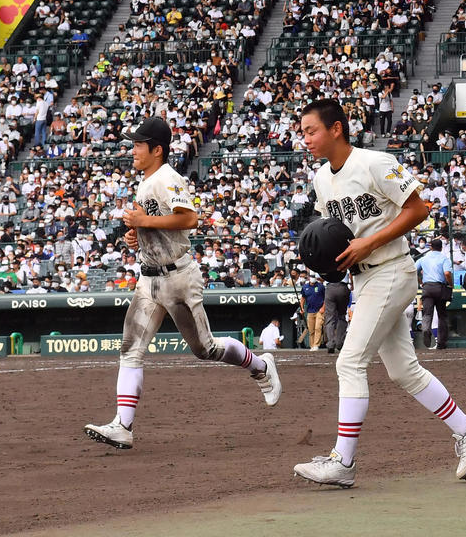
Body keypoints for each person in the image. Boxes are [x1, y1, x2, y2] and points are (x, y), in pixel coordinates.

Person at [292, 99, 466, 486]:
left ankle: (343, 462)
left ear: (336, 129)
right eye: (302, 132)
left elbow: (419, 209)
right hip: (363, 278)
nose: (306, 138)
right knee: (404, 370)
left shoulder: (374, 163)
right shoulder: (321, 178)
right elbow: (335, 229)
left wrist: (370, 243)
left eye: (311, 130)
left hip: (391, 270)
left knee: (349, 363)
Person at [84, 116, 281, 452]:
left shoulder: (167, 177)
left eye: (138, 144)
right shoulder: (147, 182)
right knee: (130, 350)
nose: (132, 150)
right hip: (149, 279)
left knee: (205, 349)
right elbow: (158, 224)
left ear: (157, 149)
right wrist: (138, 234)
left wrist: (144, 221)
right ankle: (123, 426)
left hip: (177, 278)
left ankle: (262, 366)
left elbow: (189, 217)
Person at [416, 238, 453, 350]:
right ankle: (441, 343)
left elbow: (414, 270)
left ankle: (426, 329)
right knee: (442, 315)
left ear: (431, 247)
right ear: (441, 248)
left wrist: (421, 282)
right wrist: (450, 284)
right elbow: (447, 273)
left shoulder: (424, 258)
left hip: (427, 287)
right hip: (440, 287)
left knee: (427, 313)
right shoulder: (444, 258)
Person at [324, 272, 350, 355]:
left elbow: (319, 276)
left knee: (330, 318)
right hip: (342, 286)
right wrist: (352, 284)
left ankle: (331, 344)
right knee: (341, 316)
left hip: (330, 287)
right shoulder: (344, 258)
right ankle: (339, 343)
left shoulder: (326, 260)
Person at [301, 278, 326, 350]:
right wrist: (302, 308)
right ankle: (312, 345)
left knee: (318, 327)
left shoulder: (321, 286)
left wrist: (323, 307)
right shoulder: (305, 287)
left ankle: (316, 345)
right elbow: (303, 298)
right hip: (310, 311)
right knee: (311, 330)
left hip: (319, 310)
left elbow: (325, 298)